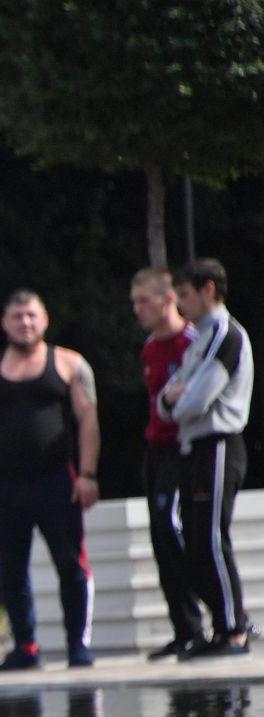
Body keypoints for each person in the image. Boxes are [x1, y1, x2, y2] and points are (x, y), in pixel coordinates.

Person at [0, 290, 101, 671]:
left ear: (45, 320)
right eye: (17, 316)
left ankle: (77, 645)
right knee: (10, 569)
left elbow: (88, 419)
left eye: (32, 316)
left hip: (56, 479)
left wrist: (87, 474)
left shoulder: (70, 364)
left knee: (71, 564)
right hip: (3, 485)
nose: (25, 323)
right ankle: (25, 647)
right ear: (5, 323)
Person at [159, 258, 253, 659]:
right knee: (195, 541)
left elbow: (193, 400)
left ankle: (234, 629)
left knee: (212, 539)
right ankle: (220, 626)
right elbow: (167, 398)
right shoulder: (200, 338)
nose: (180, 305)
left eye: (185, 295)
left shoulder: (224, 336)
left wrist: (176, 400)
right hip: (193, 447)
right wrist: (173, 399)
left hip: (218, 444)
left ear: (208, 290)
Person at [129, 269, 205, 659]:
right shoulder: (150, 347)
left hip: (184, 447)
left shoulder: (191, 342)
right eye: (135, 302)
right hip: (156, 448)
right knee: (160, 538)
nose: (137, 309)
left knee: (173, 528)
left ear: (167, 299)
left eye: (144, 301)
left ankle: (210, 621)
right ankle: (184, 629)